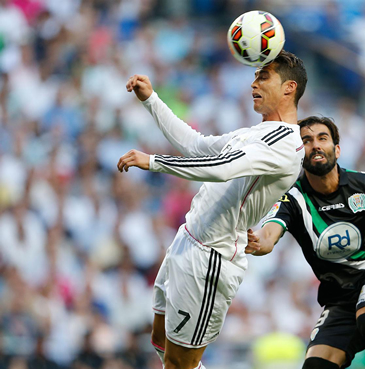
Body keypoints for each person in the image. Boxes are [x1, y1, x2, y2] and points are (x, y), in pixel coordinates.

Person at [117, 50, 308, 369]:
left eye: (263, 77)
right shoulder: (257, 132)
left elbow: (222, 167)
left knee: (181, 364)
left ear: (289, 88)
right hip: (188, 240)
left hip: (210, 259)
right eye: (254, 76)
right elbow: (197, 145)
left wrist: (152, 161)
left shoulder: (286, 143)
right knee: (163, 345)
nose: (253, 83)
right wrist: (152, 101)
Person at [246, 116, 365, 369]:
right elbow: (268, 236)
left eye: (323, 138)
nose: (316, 145)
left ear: (337, 149)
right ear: (299, 153)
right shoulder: (293, 199)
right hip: (340, 296)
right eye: (306, 141)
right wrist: (255, 242)